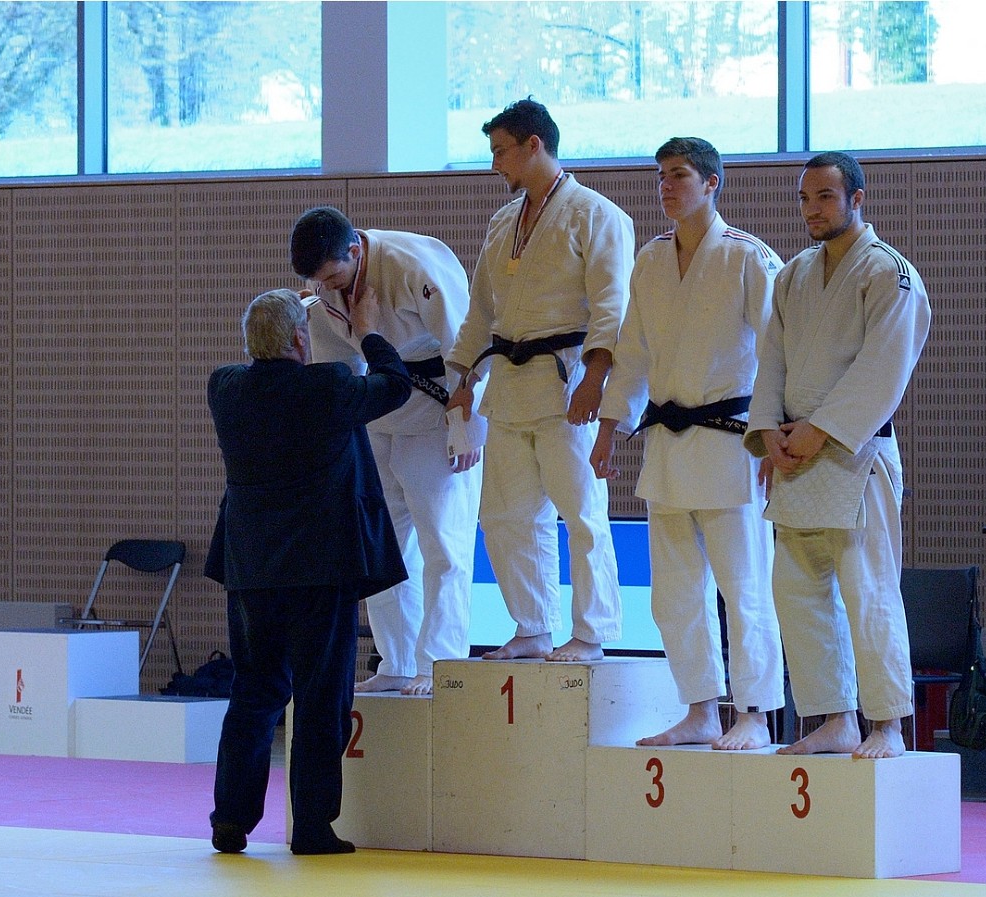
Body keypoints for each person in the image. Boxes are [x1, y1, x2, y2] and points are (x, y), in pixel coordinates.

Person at [590, 137, 785, 751]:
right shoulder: (650, 260)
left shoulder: (748, 257)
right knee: (674, 595)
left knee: (744, 588)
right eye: (661, 176)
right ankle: (700, 708)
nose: (666, 187)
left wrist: (776, 437)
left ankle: (754, 712)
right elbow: (633, 353)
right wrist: (609, 427)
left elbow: (780, 353)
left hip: (734, 445)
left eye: (679, 175)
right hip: (668, 446)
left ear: (711, 183)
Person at [205, 287, 411, 854]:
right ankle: (313, 827)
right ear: (302, 338)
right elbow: (395, 384)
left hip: (251, 568)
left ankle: (230, 819)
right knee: (321, 697)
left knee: (254, 692)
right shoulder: (329, 387)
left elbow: (267, 366)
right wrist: (367, 330)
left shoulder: (224, 389)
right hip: (320, 569)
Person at [744, 151, 931, 760]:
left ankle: (888, 723)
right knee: (796, 591)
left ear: (856, 199)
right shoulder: (793, 275)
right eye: (805, 198)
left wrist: (821, 431)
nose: (812, 209)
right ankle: (835, 717)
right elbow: (771, 359)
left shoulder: (889, 273)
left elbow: (884, 370)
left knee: (868, 590)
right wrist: (768, 431)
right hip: (796, 456)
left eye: (825, 196)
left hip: (856, 454)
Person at [445, 97, 634, 663]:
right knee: (505, 514)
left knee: (582, 512)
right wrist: (463, 377)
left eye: (501, 151)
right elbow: (481, 311)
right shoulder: (503, 221)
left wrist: (595, 379)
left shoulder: (597, 214)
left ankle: (592, 631)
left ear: (535, 145)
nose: (495, 163)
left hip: (565, 379)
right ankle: (532, 625)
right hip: (507, 383)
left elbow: (613, 308)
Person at [291, 206, 480, 697]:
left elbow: (467, 344)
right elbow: (337, 371)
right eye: (317, 282)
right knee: (381, 545)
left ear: (355, 250)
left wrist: (468, 425)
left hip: (438, 410)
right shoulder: (325, 287)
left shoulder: (412, 264)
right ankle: (395, 660)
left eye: (332, 277)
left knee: (444, 544)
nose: (326, 287)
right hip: (379, 413)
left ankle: (439, 662)